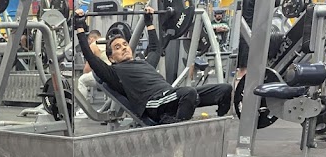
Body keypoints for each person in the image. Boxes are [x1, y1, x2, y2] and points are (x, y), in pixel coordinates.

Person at [74, 7, 232, 124]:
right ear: (111, 58)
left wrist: (149, 22)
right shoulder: (114, 72)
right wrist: (80, 28)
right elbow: (91, 57)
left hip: (170, 96)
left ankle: (219, 125)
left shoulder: (145, 63)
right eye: (117, 47)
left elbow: (156, 49)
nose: (123, 48)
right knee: (188, 93)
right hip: (154, 104)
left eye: (125, 44)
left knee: (225, 90)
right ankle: (174, 133)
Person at [77, 29, 107, 102]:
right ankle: (109, 106)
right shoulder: (109, 42)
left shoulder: (93, 45)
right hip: (114, 73)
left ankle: (82, 107)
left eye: (88, 41)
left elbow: (87, 69)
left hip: (103, 76)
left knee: (82, 80)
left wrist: (84, 74)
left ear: (91, 39)